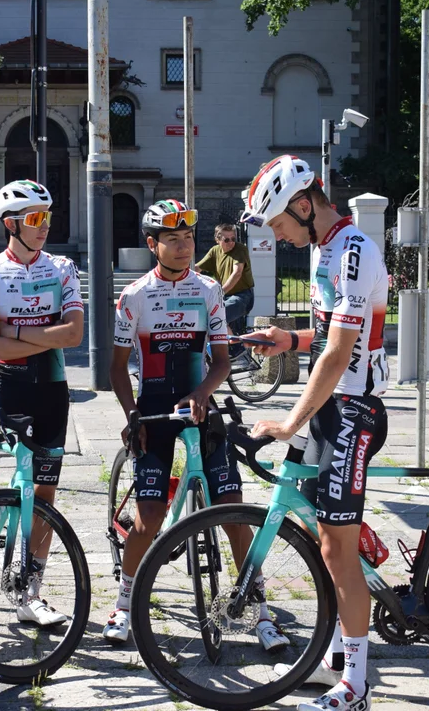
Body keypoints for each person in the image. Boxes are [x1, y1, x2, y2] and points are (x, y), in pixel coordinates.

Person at [101, 199, 289, 653]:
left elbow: (222, 361)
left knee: (235, 517)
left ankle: (260, 611)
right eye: (173, 240)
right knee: (148, 524)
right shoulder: (135, 296)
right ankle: (124, 603)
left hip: (201, 410)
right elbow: (116, 368)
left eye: (188, 239)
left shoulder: (208, 291)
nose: (184, 247)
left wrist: (202, 393)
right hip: (154, 413)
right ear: (153, 245)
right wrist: (132, 417)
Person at [240, 156, 390, 711]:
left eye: (279, 223)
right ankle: (331, 655)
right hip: (333, 407)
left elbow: (341, 353)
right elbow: (326, 335)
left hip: (352, 411)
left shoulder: (352, 251)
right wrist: (289, 339)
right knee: (315, 523)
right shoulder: (325, 248)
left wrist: (289, 421)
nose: (277, 235)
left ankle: (355, 686)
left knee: (334, 546)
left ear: (304, 206)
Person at [0, 179, 84, 625]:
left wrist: (16, 334)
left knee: (43, 492)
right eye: (35, 219)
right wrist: (43, 336)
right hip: (7, 383)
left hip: (51, 386)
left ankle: (29, 591)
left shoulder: (62, 267)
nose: (45, 226)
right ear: (11, 225)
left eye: (48, 216)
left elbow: (75, 335)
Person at [196, 222, 255, 357]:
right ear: (218, 240)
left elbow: (237, 273)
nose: (231, 243)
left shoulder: (240, 250)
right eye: (226, 239)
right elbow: (197, 268)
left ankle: (236, 348)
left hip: (242, 297)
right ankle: (220, 355)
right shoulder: (215, 251)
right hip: (225, 296)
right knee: (204, 316)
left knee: (217, 316)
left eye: (233, 239)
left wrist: (220, 293)